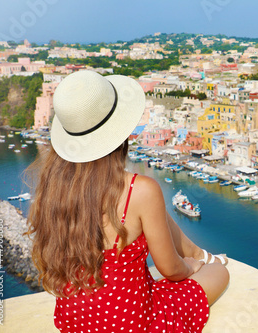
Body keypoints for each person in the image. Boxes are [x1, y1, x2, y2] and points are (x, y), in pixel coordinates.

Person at [26, 71, 229, 333]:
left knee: (151, 213)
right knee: (218, 273)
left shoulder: (54, 188)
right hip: (133, 323)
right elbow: (170, 270)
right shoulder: (138, 189)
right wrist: (191, 267)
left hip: (75, 322)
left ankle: (195, 251)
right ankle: (197, 256)